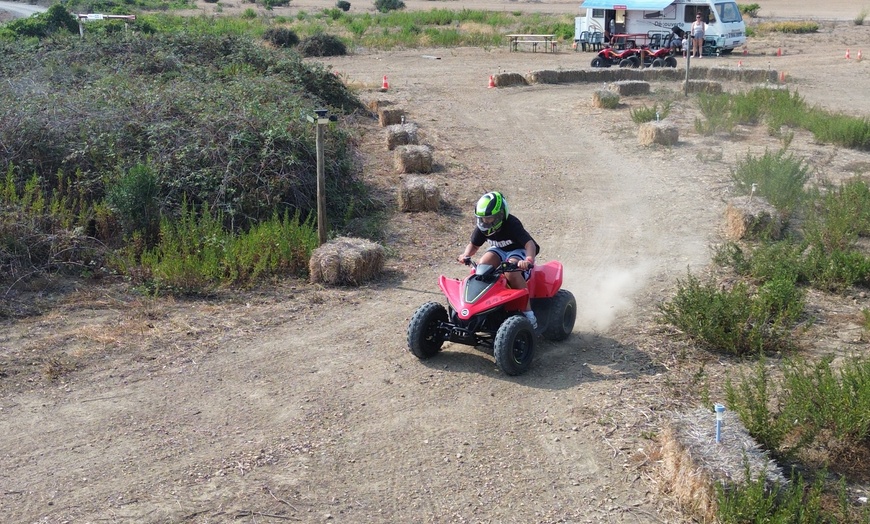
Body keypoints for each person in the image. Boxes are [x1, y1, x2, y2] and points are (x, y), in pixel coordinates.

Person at [457, 191, 541, 329]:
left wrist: (528, 259)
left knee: (511, 271)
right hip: (498, 250)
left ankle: (529, 314)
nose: (485, 222)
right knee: (482, 267)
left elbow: (529, 244)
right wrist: (466, 255)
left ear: (501, 215)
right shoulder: (483, 228)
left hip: (517, 251)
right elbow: (474, 245)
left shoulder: (512, 224)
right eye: (482, 218)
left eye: (489, 218)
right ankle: (480, 307)